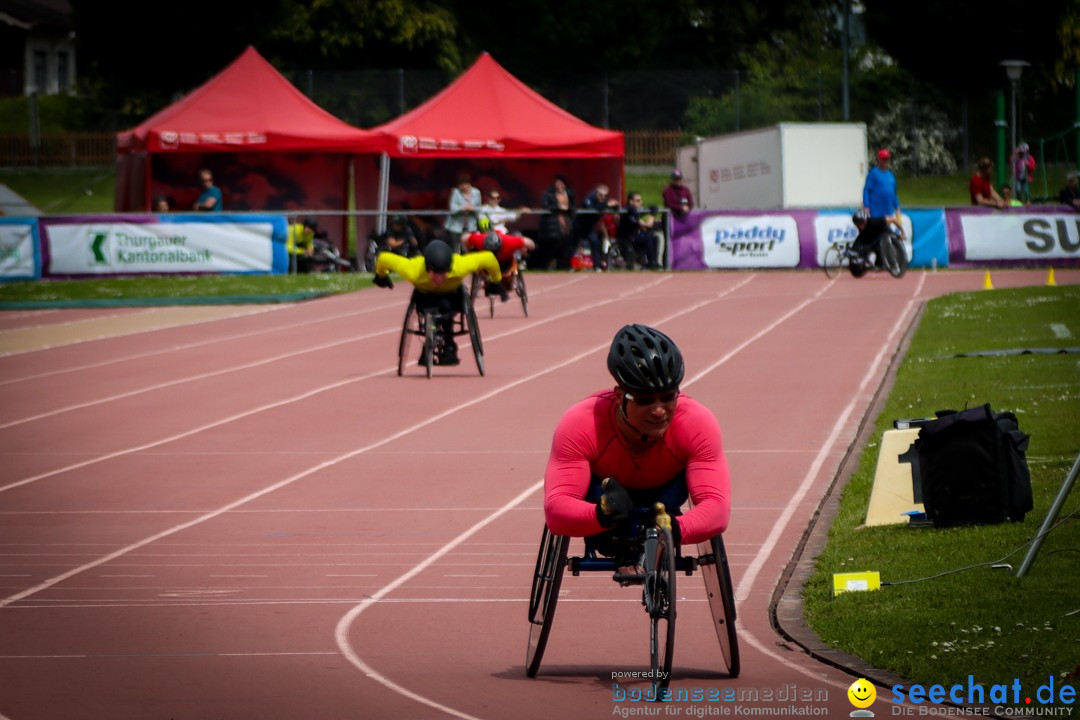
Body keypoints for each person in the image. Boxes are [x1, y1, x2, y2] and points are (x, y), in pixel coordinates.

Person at [543, 324, 730, 568]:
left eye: (668, 396)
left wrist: (676, 529)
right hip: (604, 500)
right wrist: (600, 514)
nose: (659, 411)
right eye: (644, 401)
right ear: (619, 396)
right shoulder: (581, 423)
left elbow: (716, 506)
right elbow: (557, 509)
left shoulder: (697, 423)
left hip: (665, 500)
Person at [372, 240, 501, 366]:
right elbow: (384, 258)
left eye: (443, 274)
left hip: (452, 297)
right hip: (425, 297)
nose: (438, 279)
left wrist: (496, 281)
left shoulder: (460, 265)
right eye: (434, 274)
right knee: (428, 303)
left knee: (448, 306)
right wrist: (381, 276)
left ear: (449, 269)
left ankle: (449, 344)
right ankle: (430, 343)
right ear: (427, 269)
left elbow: (489, 258)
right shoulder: (414, 269)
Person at [463, 222, 536, 301]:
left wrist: (525, 252)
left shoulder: (509, 241)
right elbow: (464, 238)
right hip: (486, 265)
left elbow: (530, 243)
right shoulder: (479, 239)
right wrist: (468, 251)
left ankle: (500, 286)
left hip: (505, 263)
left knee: (521, 251)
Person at [574, 184, 620, 271]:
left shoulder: (605, 201)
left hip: (589, 227)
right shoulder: (589, 198)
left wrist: (615, 205)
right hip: (578, 226)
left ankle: (596, 266)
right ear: (596, 193)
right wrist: (607, 204)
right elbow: (593, 208)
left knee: (595, 243)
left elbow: (614, 206)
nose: (603, 197)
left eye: (605, 195)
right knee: (572, 245)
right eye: (600, 195)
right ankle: (566, 266)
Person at [538, 175, 575, 270]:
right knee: (553, 246)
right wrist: (558, 207)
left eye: (561, 183)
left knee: (566, 245)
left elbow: (572, 206)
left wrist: (568, 208)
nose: (560, 186)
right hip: (553, 223)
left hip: (566, 222)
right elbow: (545, 206)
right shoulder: (548, 194)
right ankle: (547, 265)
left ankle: (564, 266)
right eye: (558, 183)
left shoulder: (569, 193)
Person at [616, 191, 660, 270]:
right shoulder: (627, 210)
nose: (641, 202)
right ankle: (651, 262)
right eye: (638, 200)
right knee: (648, 237)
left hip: (636, 236)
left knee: (655, 237)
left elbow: (654, 207)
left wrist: (651, 218)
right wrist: (641, 221)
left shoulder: (637, 210)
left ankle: (653, 262)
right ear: (631, 201)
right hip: (627, 238)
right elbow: (631, 210)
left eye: (641, 200)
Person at [446, 173, 482, 252]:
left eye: (464, 184)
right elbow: (452, 208)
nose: (462, 186)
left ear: (469, 184)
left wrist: (473, 208)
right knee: (456, 249)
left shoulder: (476, 192)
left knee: (469, 248)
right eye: (460, 184)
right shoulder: (455, 192)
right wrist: (463, 208)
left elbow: (479, 208)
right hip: (456, 227)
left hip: (471, 226)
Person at [862, 149, 899, 219]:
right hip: (876, 212)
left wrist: (897, 207)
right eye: (883, 159)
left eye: (887, 159)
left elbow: (894, 193)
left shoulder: (890, 175)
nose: (885, 161)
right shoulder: (873, 173)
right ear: (879, 159)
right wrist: (866, 205)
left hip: (888, 211)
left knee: (887, 229)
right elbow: (867, 190)